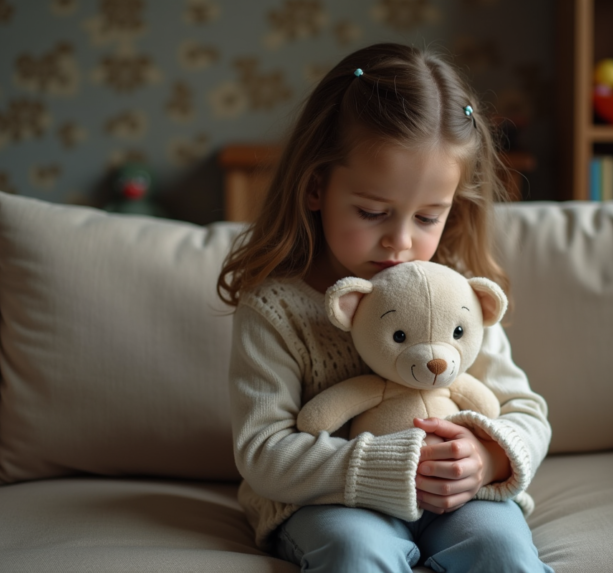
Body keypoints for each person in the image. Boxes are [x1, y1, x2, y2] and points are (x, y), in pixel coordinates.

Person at [217, 42, 554, 573]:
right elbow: (263, 453)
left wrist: (488, 458)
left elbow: (526, 412)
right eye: (373, 212)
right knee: (356, 553)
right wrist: (394, 466)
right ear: (315, 187)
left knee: (502, 552)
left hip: (458, 502)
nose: (399, 242)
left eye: (427, 218)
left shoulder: (455, 297)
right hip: (333, 505)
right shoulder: (275, 308)